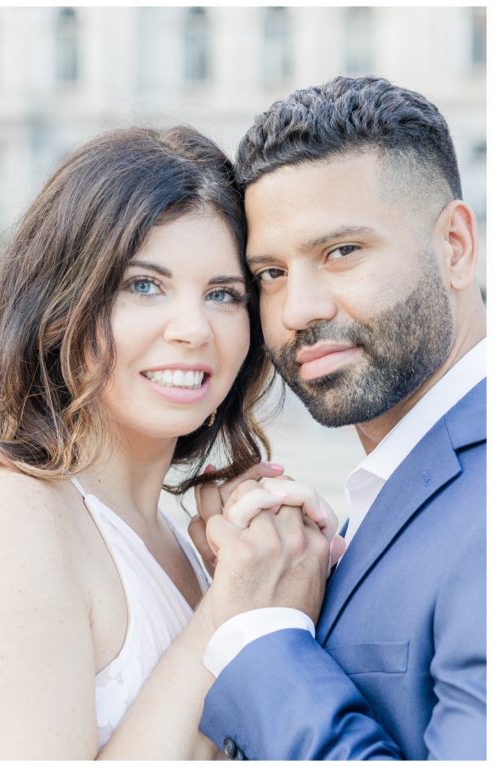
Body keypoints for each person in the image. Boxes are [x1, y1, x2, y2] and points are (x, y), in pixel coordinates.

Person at [0, 126, 339, 759]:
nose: (193, 329)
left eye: (224, 294)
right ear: (62, 302)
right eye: (144, 285)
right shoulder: (19, 510)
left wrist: (273, 582)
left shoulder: (178, 536)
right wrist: (234, 607)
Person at [192, 76, 486, 759]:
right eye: (269, 273)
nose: (299, 309)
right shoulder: (382, 491)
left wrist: (264, 633)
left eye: (342, 252)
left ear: (456, 247)